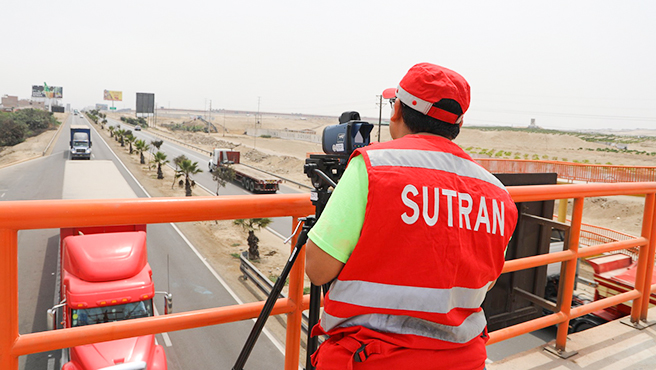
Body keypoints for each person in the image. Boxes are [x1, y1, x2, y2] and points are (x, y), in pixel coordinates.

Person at [305, 62, 518, 370]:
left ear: (397, 112)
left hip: (371, 360)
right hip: (462, 361)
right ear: (456, 124)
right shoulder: (498, 194)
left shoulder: (373, 168)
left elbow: (317, 269)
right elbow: (482, 282)